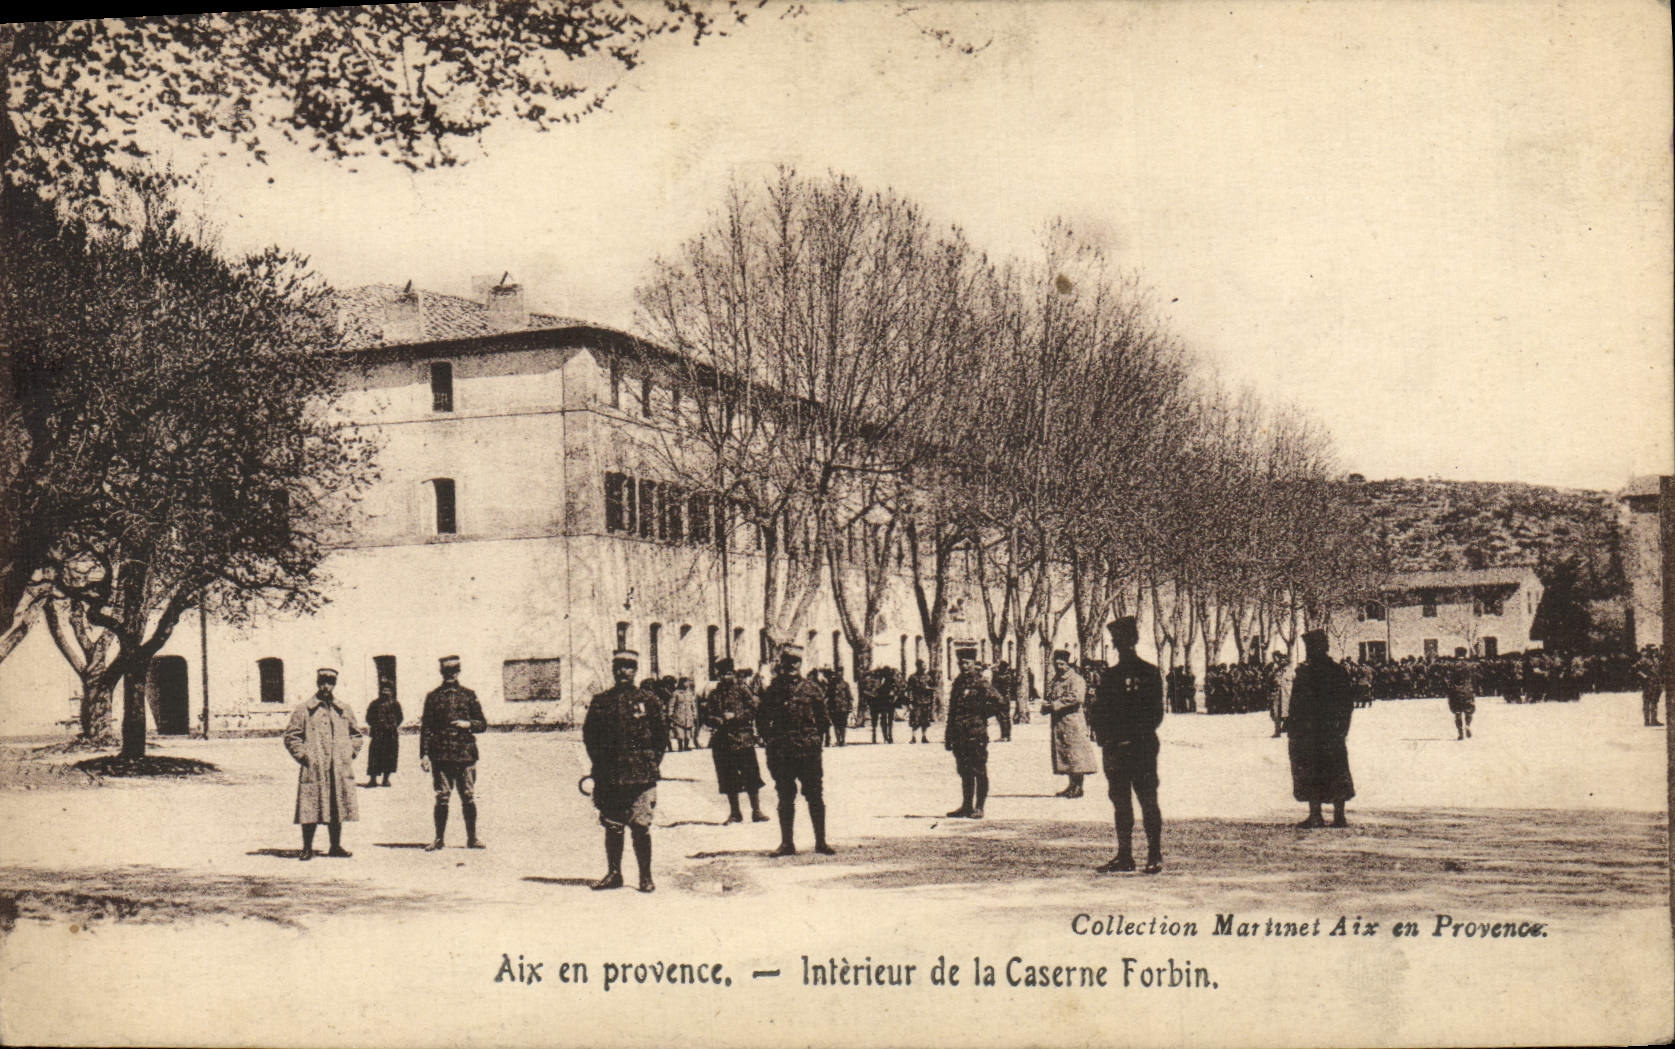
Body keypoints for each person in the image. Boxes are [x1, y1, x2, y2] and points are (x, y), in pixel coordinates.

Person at [583, 647, 668, 891]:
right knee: (613, 826)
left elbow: (661, 737)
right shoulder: (602, 702)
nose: (623, 671)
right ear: (613, 669)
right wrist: (600, 766)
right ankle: (614, 874)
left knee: (641, 826)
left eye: (629, 667)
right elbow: (590, 737)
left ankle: (645, 876)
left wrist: (651, 764)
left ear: (635, 670)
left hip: (641, 775)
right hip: (610, 775)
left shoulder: (648, 700)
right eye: (619, 667)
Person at [1089, 618, 1164, 874]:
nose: (1117, 645)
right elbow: (1099, 713)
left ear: (1128, 642)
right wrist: (1106, 737)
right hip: (1124, 748)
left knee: (1144, 801)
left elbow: (1155, 715)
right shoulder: (1113, 676)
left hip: (1135, 748)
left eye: (1119, 641)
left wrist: (1123, 736)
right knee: (1125, 802)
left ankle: (1151, 854)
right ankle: (1128, 856)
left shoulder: (1144, 673)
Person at [757, 643, 834, 856]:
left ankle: (821, 842)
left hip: (808, 752)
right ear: (781, 664)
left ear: (800, 664)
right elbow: (762, 719)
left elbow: (823, 720)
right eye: (788, 662)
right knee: (785, 796)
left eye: (795, 662)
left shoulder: (812, 689)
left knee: (815, 796)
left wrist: (814, 740)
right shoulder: (773, 691)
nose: (791, 666)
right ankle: (787, 844)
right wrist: (771, 741)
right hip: (782, 753)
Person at [283, 668, 363, 861]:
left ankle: (335, 846)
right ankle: (307, 847)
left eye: (330, 682)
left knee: (337, 805)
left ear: (335, 684)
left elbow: (356, 735)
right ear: (317, 683)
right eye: (322, 682)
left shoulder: (343, 709)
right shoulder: (304, 710)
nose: (326, 686)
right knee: (310, 805)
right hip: (314, 767)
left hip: (338, 767)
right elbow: (291, 736)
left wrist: (349, 753)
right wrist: (304, 756)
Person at [1286, 629, 1356, 829]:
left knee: (1311, 771)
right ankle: (1339, 817)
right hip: (1332, 732)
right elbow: (1347, 704)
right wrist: (1342, 728)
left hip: (1310, 734)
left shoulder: (1306, 673)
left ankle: (1315, 815)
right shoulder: (1339, 671)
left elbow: (1297, 705)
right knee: (1336, 770)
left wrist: (1293, 729)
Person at [419, 655, 488, 851]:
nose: (450, 675)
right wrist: (424, 754)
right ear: (442, 673)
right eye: (446, 672)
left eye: (453, 671)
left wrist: (468, 724)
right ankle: (439, 839)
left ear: (458, 672)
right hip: (441, 755)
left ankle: (472, 838)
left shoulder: (468, 695)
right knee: (442, 797)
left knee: (467, 796)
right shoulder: (433, 697)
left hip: (465, 754)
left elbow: (482, 724)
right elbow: (426, 728)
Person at [701, 659, 769, 824]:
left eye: (729, 673)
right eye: (723, 674)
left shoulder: (742, 690)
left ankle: (756, 810)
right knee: (728, 777)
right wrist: (717, 719)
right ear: (718, 675)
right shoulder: (714, 694)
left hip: (742, 738)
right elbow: (706, 716)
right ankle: (735, 812)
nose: (726, 677)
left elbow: (753, 709)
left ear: (734, 673)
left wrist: (736, 717)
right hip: (723, 741)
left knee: (751, 775)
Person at [943, 654, 1004, 819]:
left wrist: (982, 714)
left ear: (973, 663)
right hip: (959, 734)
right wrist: (948, 735)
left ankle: (979, 807)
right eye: (961, 662)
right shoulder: (958, 683)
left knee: (979, 770)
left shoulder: (982, 682)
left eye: (967, 662)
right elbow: (952, 711)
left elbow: (999, 701)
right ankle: (966, 805)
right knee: (964, 771)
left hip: (976, 733)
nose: (964, 666)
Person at [1041, 649, 1098, 798]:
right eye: (1056, 663)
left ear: (1068, 664)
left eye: (1062, 664)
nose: (1059, 666)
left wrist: (1054, 705)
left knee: (1075, 754)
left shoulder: (1076, 679)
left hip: (1073, 722)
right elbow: (1051, 696)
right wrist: (1046, 706)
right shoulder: (1056, 680)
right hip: (1059, 723)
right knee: (1065, 754)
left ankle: (1078, 787)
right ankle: (1071, 785)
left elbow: (1076, 698)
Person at [363, 679, 403, 788]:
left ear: (391, 691)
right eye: (383, 690)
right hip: (377, 735)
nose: (385, 692)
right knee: (374, 757)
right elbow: (368, 717)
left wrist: (392, 726)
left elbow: (400, 718)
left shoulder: (395, 704)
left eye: (388, 690)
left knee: (389, 757)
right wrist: (376, 725)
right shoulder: (375, 704)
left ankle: (386, 779)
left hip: (391, 735)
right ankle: (373, 780)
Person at [906, 660, 935, 744]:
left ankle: (924, 736)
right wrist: (910, 702)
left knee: (925, 719)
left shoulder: (928, 677)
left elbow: (933, 688)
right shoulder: (912, 677)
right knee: (915, 719)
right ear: (918, 666)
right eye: (923, 665)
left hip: (926, 701)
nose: (925, 667)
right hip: (916, 701)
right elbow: (909, 690)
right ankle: (913, 737)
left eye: (925, 665)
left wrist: (929, 688)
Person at [825, 665, 854, 747]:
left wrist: (850, 707)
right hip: (834, 706)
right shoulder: (831, 684)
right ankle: (838, 740)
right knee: (836, 724)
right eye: (838, 672)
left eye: (841, 672)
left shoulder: (845, 684)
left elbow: (849, 696)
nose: (840, 674)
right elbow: (828, 695)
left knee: (843, 724)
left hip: (843, 707)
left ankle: (843, 740)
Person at [1446, 664, 1476, 740]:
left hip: (1456, 693)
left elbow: (1448, 684)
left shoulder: (1452, 673)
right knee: (1468, 711)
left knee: (1457, 713)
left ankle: (1460, 731)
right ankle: (1467, 725)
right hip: (1467, 692)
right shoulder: (1467, 673)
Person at [866, 668, 896, 744]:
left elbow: (895, 689)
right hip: (877, 702)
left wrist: (893, 693)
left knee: (889, 720)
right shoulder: (876, 681)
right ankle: (876, 735)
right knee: (878, 719)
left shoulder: (891, 680)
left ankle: (889, 736)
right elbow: (868, 691)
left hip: (889, 702)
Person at [1637, 647, 1664, 727]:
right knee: (1647, 702)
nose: (1654, 652)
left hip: (1656, 683)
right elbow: (1636, 669)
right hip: (1647, 684)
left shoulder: (1656, 660)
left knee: (1655, 702)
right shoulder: (1643, 660)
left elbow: (1659, 671)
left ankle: (1654, 720)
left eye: (1655, 651)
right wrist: (1644, 676)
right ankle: (1647, 720)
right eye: (1652, 651)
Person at [1268, 650, 1292, 738]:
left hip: (1287, 696)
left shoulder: (1290, 671)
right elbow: (1271, 682)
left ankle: (1290, 731)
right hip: (1277, 695)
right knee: (1276, 713)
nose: (1275, 660)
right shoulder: (1276, 671)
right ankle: (1277, 731)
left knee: (1288, 713)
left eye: (1276, 657)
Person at [671, 676, 698, 752]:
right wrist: (670, 714)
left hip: (688, 715)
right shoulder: (676, 693)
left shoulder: (689, 693)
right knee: (680, 732)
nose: (688, 683)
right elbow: (671, 704)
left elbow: (693, 705)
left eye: (688, 682)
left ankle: (686, 745)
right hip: (679, 715)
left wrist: (694, 714)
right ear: (682, 683)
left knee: (688, 732)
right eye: (686, 682)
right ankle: (680, 746)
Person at [992, 660, 1017, 742]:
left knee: (1002, 717)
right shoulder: (1008, 675)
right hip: (1006, 698)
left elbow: (995, 685)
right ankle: (1007, 735)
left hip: (1002, 699)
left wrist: (994, 673)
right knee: (1005, 717)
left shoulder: (1002, 677)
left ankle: (1004, 736)